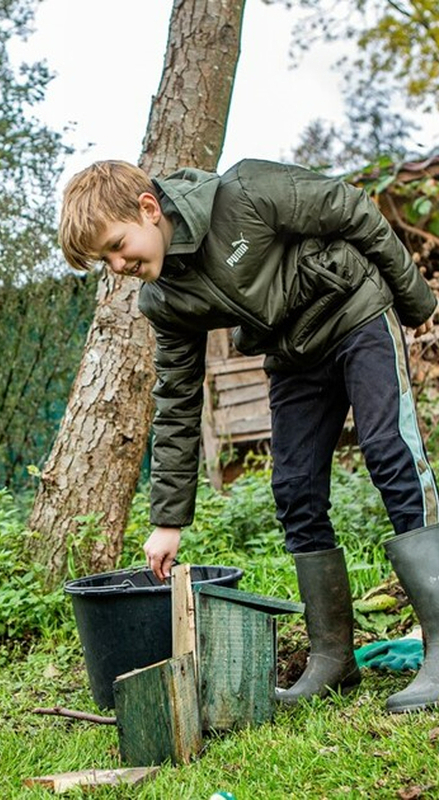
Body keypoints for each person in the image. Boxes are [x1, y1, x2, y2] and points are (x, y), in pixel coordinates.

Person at [58, 158, 439, 712]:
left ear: (147, 208)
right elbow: (177, 403)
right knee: (296, 490)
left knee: (390, 453)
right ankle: (333, 659)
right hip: (292, 353)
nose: (118, 265)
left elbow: (352, 210)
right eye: (104, 261)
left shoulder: (246, 193)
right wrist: (167, 520)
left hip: (355, 312)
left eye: (117, 245)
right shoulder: (165, 299)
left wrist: (416, 302)